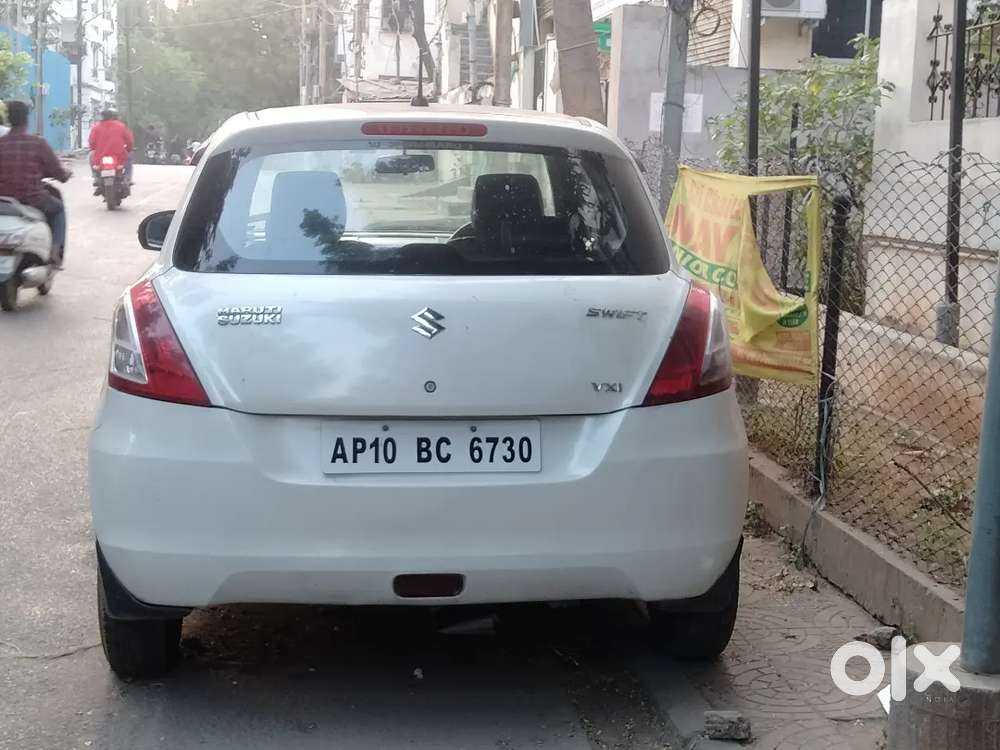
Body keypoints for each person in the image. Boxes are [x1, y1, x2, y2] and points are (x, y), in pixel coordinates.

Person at [0, 101, 72, 266]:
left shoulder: (1, 143)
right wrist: (65, 174)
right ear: (26, 119)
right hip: (32, 200)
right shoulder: (37, 143)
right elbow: (59, 173)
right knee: (58, 209)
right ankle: (55, 253)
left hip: (3, 201)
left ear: (9, 119)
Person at [89, 108, 134, 190]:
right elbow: (129, 140)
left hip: (100, 157)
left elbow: (91, 142)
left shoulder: (96, 127)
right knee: (129, 158)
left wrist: (93, 148)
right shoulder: (121, 126)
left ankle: (96, 177)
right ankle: (127, 177)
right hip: (119, 156)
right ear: (113, 116)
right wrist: (129, 149)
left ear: (101, 117)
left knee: (91, 155)